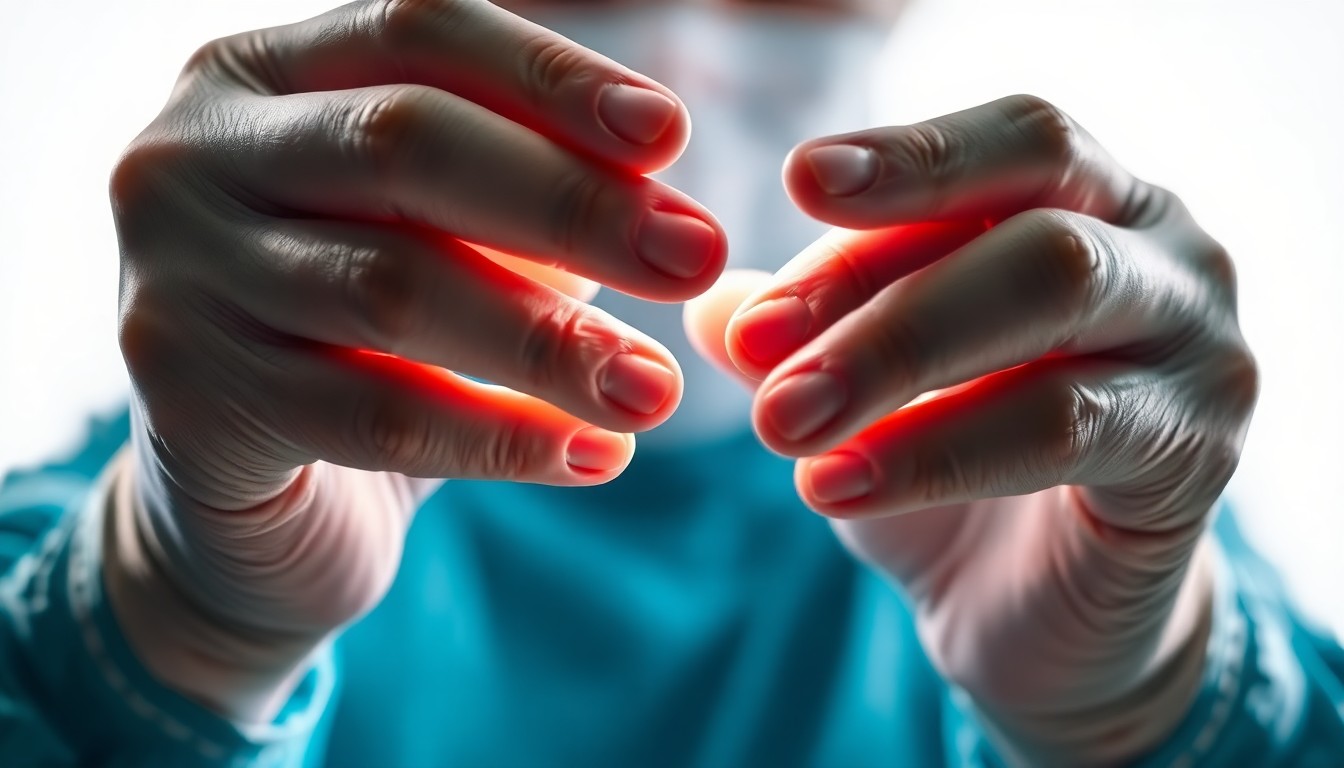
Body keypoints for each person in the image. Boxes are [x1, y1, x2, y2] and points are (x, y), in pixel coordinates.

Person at [1, 0, 1341, 764]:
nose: (684, 56)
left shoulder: (1076, 495)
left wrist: (1149, 700)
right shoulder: (222, 443)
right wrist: (169, 619)